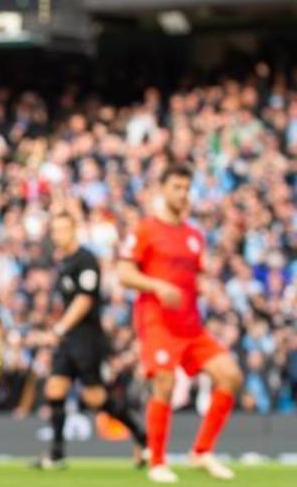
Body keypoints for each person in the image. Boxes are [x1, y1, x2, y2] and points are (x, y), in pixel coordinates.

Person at [117, 164, 241, 483]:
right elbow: (124, 274)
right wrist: (157, 286)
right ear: (162, 188)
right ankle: (157, 461)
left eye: (187, 187)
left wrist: (208, 288)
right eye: (176, 186)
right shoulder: (145, 229)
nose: (183, 193)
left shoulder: (194, 236)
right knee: (165, 383)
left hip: (191, 326)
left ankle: (201, 451)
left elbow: (195, 278)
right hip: (157, 322)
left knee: (230, 375)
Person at [31, 211, 146, 469]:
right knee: (54, 389)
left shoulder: (86, 260)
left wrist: (59, 329)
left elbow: (84, 300)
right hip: (68, 338)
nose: (57, 235)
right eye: (55, 230)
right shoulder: (64, 263)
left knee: (95, 398)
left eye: (62, 229)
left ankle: (141, 434)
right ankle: (57, 455)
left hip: (87, 338)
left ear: (74, 231)